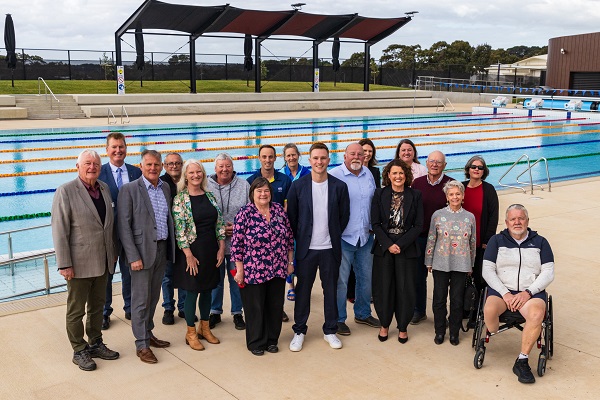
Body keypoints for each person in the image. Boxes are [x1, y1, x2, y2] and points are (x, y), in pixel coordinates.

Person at [51, 150, 120, 371]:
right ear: (78, 166)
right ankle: (79, 349)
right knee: (76, 309)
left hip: (103, 260)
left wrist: (113, 253)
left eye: (96, 164)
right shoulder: (66, 191)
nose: (92, 167)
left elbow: (107, 226)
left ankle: (95, 342)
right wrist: (64, 263)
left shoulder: (104, 188)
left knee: (98, 307)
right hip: (78, 263)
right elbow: (60, 230)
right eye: (87, 163)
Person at [287, 142, 350, 351]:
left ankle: (330, 330)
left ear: (328, 160)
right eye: (315, 158)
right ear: (310, 160)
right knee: (303, 291)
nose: (319, 162)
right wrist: (303, 237)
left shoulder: (339, 186)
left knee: (330, 291)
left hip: (330, 248)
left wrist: (332, 234)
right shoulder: (298, 186)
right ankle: (299, 330)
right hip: (307, 249)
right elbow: (292, 217)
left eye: (323, 158)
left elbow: (344, 216)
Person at [482, 204, 554, 384]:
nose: (517, 222)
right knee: (489, 311)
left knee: (537, 314)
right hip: (501, 292)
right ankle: (493, 331)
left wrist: (528, 293)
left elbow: (548, 273)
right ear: (506, 222)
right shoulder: (496, 241)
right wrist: (505, 294)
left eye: (521, 218)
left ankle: (522, 361)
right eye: (513, 219)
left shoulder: (541, 242)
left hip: (530, 294)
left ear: (527, 221)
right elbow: (487, 271)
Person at [118, 149, 175, 364]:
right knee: (140, 300)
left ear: (161, 167)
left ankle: (148, 333)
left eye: (156, 165)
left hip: (161, 249)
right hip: (141, 253)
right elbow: (124, 226)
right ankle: (141, 344)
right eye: (148, 165)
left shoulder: (165, 187)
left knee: (153, 297)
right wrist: (133, 256)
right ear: (141, 166)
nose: (153, 168)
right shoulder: (129, 189)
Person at [231, 177, 294, 355]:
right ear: (253, 194)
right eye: (259, 191)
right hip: (253, 269)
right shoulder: (245, 213)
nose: (263, 194)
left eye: (266, 190)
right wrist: (240, 270)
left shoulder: (279, 210)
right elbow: (237, 244)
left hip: (277, 267)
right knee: (255, 308)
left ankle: (272, 340)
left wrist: (290, 262)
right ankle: (256, 342)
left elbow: (289, 238)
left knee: (274, 306)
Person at [172, 159, 225, 351]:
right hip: (192, 252)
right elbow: (180, 231)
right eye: (192, 172)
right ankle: (191, 332)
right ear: (186, 176)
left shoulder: (210, 196)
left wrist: (221, 248)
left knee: (208, 289)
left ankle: (205, 328)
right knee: (192, 291)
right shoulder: (180, 199)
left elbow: (219, 224)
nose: (196, 175)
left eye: (199, 172)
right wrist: (188, 255)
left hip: (211, 249)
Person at [370, 159, 423, 343]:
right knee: (384, 287)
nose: (398, 176)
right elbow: (375, 223)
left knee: (405, 289)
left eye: (401, 173)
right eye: (394, 173)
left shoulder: (415, 195)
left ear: (406, 175)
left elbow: (418, 225)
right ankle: (384, 324)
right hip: (384, 249)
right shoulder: (379, 194)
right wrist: (388, 244)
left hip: (406, 249)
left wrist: (401, 244)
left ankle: (402, 326)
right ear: (388, 175)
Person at [329, 143, 380, 336]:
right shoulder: (335, 175)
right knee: (341, 281)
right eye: (353, 154)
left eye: (360, 154)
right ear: (345, 156)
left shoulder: (368, 174)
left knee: (366, 278)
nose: (357, 157)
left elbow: (373, 203)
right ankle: (339, 319)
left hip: (366, 236)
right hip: (344, 237)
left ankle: (363, 313)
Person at [98, 132, 142, 330]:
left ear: (126, 148)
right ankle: (105, 311)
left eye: (121, 146)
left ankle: (130, 307)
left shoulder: (136, 172)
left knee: (130, 272)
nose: (118, 150)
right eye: (114, 147)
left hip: (132, 234)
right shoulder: (98, 174)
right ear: (107, 150)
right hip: (108, 235)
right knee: (107, 274)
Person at [425, 181, 476, 346]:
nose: (455, 197)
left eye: (458, 194)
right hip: (440, 263)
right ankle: (440, 331)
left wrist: (471, 264)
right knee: (439, 299)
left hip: (461, 265)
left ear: (463, 196)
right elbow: (432, 238)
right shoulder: (438, 215)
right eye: (451, 194)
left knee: (457, 300)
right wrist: (429, 260)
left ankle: (454, 332)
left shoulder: (469, 217)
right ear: (447, 197)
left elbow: (472, 243)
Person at [248, 144, 293, 322]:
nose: (267, 160)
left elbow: (288, 208)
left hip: (279, 238)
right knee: (261, 281)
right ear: (259, 158)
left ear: (276, 158)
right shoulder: (251, 180)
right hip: (259, 241)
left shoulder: (284, 180)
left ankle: (278, 309)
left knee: (277, 279)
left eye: (271, 157)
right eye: (264, 157)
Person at [410, 150, 454, 324]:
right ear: (426, 163)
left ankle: (441, 315)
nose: (435, 164)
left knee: (442, 279)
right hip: (421, 238)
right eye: (432, 161)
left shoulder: (450, 184)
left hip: (443, 240)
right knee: (418, 276)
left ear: (444, 165)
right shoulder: (418, 183)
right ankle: (419, 310)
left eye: (439, 162)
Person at [208, 153, 249, 331]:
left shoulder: (244, 185)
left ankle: (237, 313)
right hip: (214, 243)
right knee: (215, 279)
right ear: (215, 168)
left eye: (228, 166)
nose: (225, 169)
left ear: (233, 167)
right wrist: (219, 229)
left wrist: (238, 226)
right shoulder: (206, 185)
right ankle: (215, 311)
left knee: (237, 278)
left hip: (238, 243)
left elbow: (251, 211)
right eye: (221, 166)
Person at [461, 155, 499, 292]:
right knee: (460, 278)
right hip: (461, 243)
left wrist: (487, 240)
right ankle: (462, 310)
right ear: (468, 169)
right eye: (474, 166)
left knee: (479, 278)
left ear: (484, 171)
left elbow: (493, 216)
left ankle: (477, 309)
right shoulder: (461, 187)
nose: (476, 169)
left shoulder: (489, 190)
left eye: (480, 167)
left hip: (480, 241)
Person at [160, 152, 189, 325]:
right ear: (164, 166)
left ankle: (184, 307)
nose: (174, 166)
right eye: (170, 164)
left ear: (182, 164)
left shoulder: (188, 182)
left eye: (177, 163)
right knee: (167, 275)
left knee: (186, 272)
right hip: (168, 237)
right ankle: (168, 308)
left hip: (186, 236)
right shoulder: (161, 183)